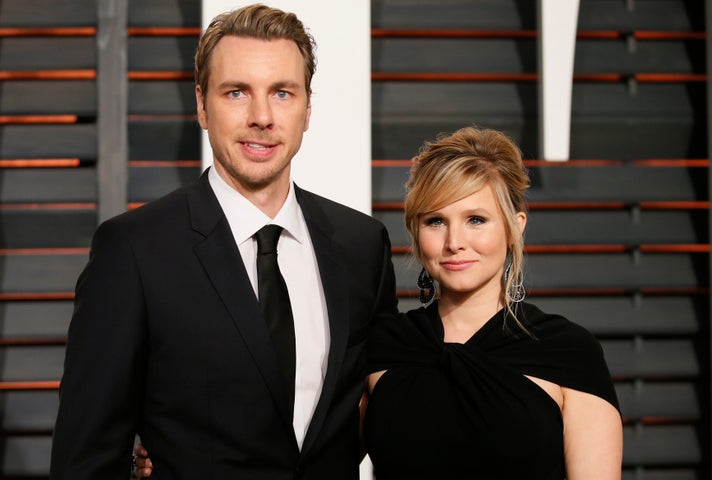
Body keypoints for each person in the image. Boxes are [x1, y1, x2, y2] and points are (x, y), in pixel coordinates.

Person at [134, 126, 624, 479]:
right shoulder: (384, 345)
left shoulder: (567, 352)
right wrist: (183, 453)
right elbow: (303, 451)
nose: (455, 241)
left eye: (476, 219)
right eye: (436, 221)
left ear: (516, 226)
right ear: (415, 232)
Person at [49, 3, 398, 479]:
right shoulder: (133, 251)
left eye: (282, 93)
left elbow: (384, 414)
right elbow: (85, 459)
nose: (262, 116)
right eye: (237, 92)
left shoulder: (363, 245)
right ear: (201, 105)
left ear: (307, 108)